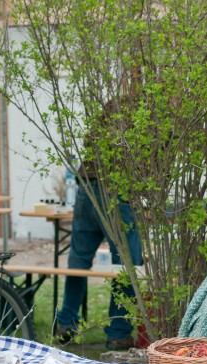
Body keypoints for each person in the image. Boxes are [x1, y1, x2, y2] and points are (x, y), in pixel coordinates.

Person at [55, 99, 143, 350]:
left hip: (87, 187)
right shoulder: (149, 109)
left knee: (78, 261)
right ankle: (119, 332)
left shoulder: (116, 103)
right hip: (116, 191)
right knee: (127, 264)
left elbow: (88, 140)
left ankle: (66, 324)